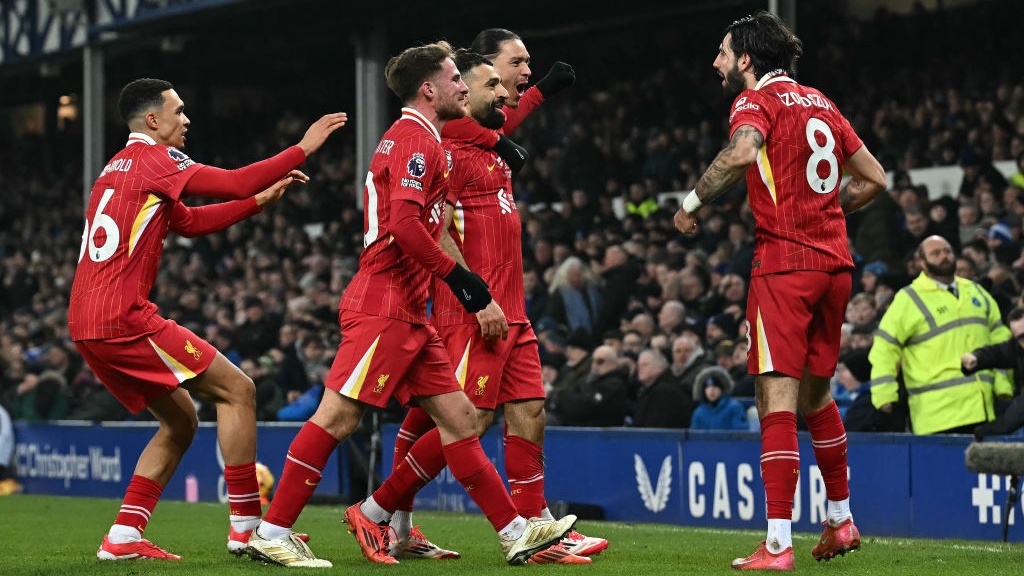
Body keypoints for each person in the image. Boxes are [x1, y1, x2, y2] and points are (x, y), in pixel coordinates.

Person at [243, 42, 576, 569]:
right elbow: (404, 225)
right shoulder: (414, 141)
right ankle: (273, 529)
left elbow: (432, 209)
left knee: (462, 422)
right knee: (338, 417)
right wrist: (462, 281)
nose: (465, 87)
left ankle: (515, 532)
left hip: (412, 308)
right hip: (385, 301)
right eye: (455, 79)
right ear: (430, 89)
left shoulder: (429, 139)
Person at [67, 77, 347, 561]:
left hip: (86, 321)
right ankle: (247, 527)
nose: (186, 119)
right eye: (178, 111)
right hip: (123, 317)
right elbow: (236, 180)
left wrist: (257, 204)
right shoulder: (158, 158)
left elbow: (189, 224)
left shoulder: (116, 169)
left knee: (180, 422)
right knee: (239, 390)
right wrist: (302, 147)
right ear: (152, 121)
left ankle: (124, 536)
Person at [354, 49, 602, 565]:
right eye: (491, 83)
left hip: (514, 307)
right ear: (459, 90)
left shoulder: (490, 147)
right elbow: (434, 229)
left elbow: (503, 122)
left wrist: (531, 102)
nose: (502, 94)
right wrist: (474, 293)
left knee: (530, 410)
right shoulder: (451, 152)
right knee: (467, 422)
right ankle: (378, 511)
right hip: (474, 310)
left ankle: (536, 529)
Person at [672, 11, 886, 571]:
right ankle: (840, 519)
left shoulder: (753, 102)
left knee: (776, 400)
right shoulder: (822, 102)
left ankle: (776, 544)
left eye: (722, 52)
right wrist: (825, 212)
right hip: (836, 266)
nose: (716, 62)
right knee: (818, 397)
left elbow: (743, 153)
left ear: (746, 59)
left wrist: (690, 205)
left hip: (785, 268)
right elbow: (876, 179)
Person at [871, 235, 1012, 435]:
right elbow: (885, 349)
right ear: (921, 262)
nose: (944, 256)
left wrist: (1002, 383)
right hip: (937, 416)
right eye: (935, 253)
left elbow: (1000, 338)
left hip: (984, 408)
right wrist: (884, 395)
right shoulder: (908, 299)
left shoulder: (975, 291)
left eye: (947, 251)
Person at [960, 306, 1024, 439]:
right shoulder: (1018, 347)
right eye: (1021, 338)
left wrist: (991, 429)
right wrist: (977, 358)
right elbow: (999, 352)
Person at [547, 344, 630, 427]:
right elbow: (572, 393)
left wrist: (561, 396)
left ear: (613, 364)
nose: (595, 365)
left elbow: (583, 407)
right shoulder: (588, 380)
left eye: (600, 361)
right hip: (577, 427)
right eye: (593, 361)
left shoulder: (615, 384)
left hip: (599, 433)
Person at [630, 348, 692, 429]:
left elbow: (655, 427)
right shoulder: (649, 389)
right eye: (638, 365)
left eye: (645, 365)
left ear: (660, 367)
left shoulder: (665, 392)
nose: (639, 368)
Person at [690, 366, 748, 431]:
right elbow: (694, 437)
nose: (711, 390)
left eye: (715, 386)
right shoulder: (698, 413)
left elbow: (741, 434)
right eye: (707, 387)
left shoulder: (734, 408)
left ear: (722, 388)